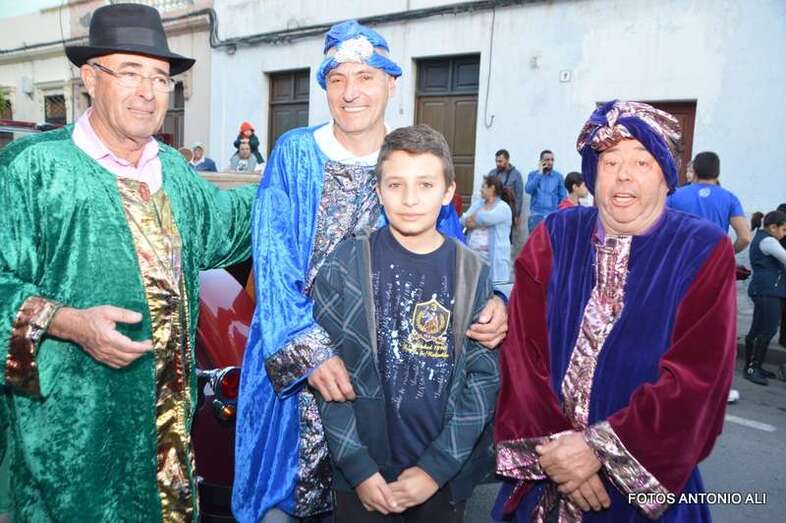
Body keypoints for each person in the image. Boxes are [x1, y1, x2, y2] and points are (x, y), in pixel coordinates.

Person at [232, 20, 508, 523]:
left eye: (365, 77)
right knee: (285, 505)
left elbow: (455, 258)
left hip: (387, 385)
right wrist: (311, 354)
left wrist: (494, 305)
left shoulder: (409, 160)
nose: (350, 92)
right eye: (337, 79)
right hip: (296, 376)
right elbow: (272, 263)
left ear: (391, 84)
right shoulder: (295, 153)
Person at [0, 5, 255, 521]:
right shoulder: (34, 168)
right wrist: (68, 322)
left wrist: (310, 172)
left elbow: (232, 222)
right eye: (130, 73)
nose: (148, 91)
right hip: (68, 454)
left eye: (160, 78)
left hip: (166, 450)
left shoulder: (175, 173)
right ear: (90, 78)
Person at [493, 100, 736, 522]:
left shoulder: (702, 249)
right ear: (593, 173)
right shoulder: (556, 234)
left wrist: (598, 450)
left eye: (642, 161)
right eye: (609, 162)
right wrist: (558, 454)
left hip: (639, 491)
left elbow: (698, 379)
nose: (624, 175)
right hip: (546, 471)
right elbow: (522, 352)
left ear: (666, 176)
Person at [313, 125, 499, 523]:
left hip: (442, 477)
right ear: (378, 191)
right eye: (396, 185)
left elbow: (484, 380)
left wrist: (436, 469)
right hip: (362, 477)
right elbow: (328, 375)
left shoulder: (473, 273)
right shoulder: (344, 265)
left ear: (448, 192)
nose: (410, 199)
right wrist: (358, 468)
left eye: (425, 184)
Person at [668, 151, 750, 253]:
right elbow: (745, 238)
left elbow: (656, 228)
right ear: (717, 173)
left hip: (683, 258)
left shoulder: (674, 196)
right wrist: (726, 254)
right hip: (715, 259)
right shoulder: (730, 199)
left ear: (695, 171)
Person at [742, 210, 786, 385]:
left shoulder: (764, 238)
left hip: (766, 290)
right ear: (773, 227)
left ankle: (756, 365)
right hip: (767, 291)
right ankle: (751, 368)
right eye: (783, 230)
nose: (784, 234)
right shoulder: (768, 241)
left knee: (760, 328)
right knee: (766, 329)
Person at [461, 175, 513, 283]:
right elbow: (463, 220)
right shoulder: (479, 204)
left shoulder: (503, 208)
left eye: (483, 187)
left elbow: (486, 219)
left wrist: (474, 218)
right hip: (474, 259)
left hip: (494, 261)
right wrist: (473, 220)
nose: (480, 190)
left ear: (492, 188)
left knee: (493, 289)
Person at [488, 149, 524, 253]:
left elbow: (519, 196)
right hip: (493, 210)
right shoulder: (492, 173)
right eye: (496, 161)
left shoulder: (516, 175)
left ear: (507, 160)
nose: (498, 164)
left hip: (509, 211)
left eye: (500, 161)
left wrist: (517, 215)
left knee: (507, 237)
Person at [524, 149, 566, 232]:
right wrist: (539, 174)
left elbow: (563, 197)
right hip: (536, 215)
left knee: (551, 240)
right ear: (541, 161)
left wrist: (559, 214)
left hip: (552, 215)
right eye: (547, 160)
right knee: (535, 240)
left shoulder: (558, 177)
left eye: (552, 160)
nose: (550, 162)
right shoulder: (533, 175)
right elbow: (528, 190)